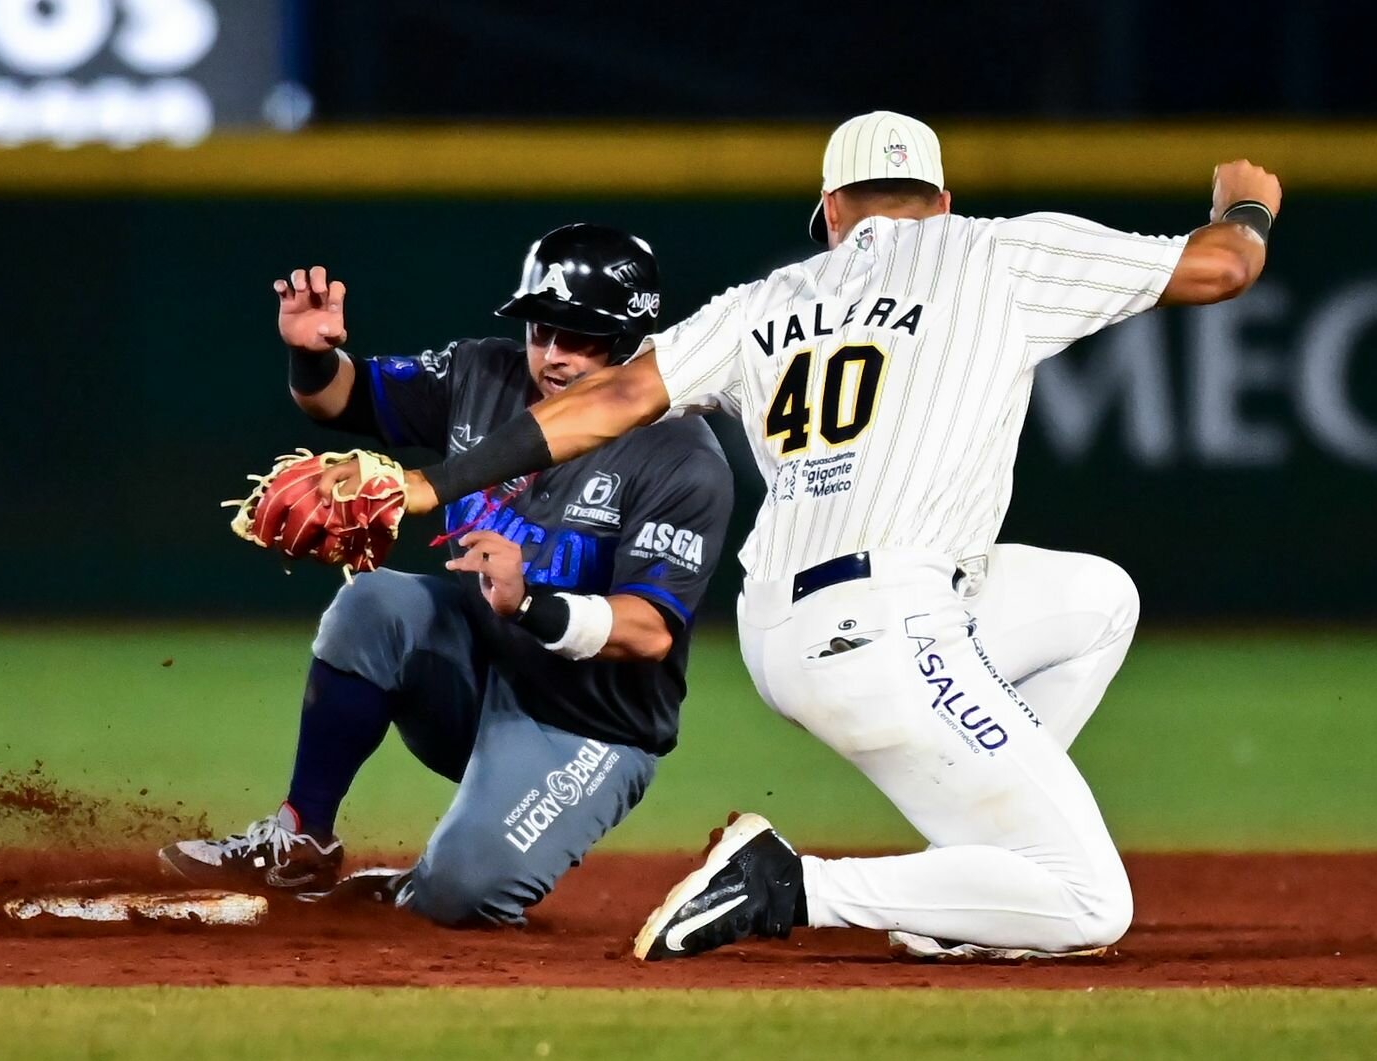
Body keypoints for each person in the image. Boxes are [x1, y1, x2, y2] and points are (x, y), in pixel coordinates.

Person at [311, 110, 1282, 959]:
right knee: (1087, 901)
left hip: (793, 625)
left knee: (1096, 600)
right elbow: (1224, 267)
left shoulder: (765, 300)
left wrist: (429, 487)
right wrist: (1243, 205)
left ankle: (959, 888)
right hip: (888, 625)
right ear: (941, 201)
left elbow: (612, 399)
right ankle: (793, 883)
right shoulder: (990, 250)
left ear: (827, 211)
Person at [159, 224, 734, 928]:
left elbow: (649, 633)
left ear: (630, 340)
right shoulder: (482, 374)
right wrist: (314, 357)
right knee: (374, 601)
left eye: (578, 338)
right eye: (541, 330)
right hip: (470, 673)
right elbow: (343, 399)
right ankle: (298, 837)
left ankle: (409, 886)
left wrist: (529, 603)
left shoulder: (683, 455)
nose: (552, 357)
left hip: (587, 726)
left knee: (460, 896)